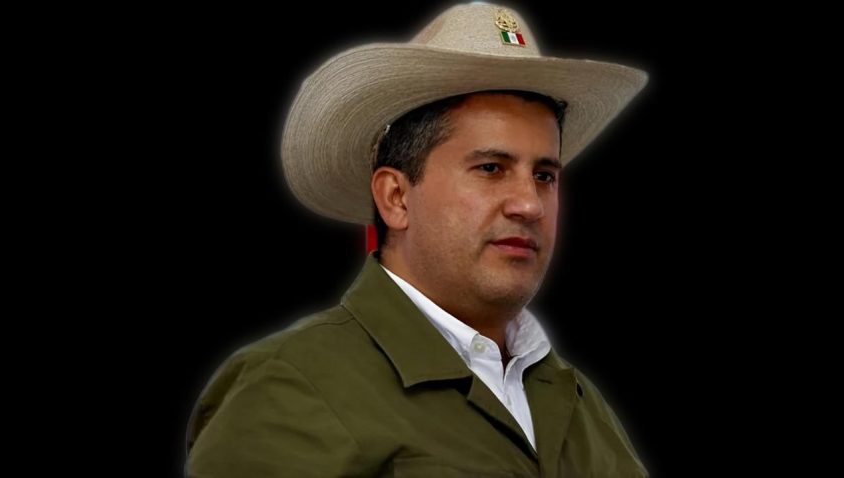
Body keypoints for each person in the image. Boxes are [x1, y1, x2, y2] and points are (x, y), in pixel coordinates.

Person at [185, 3, 649, 477]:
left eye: (544, 175)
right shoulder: (291, 386)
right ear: (396, 197)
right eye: (491, 168)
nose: (529, 205)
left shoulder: (581, 404)